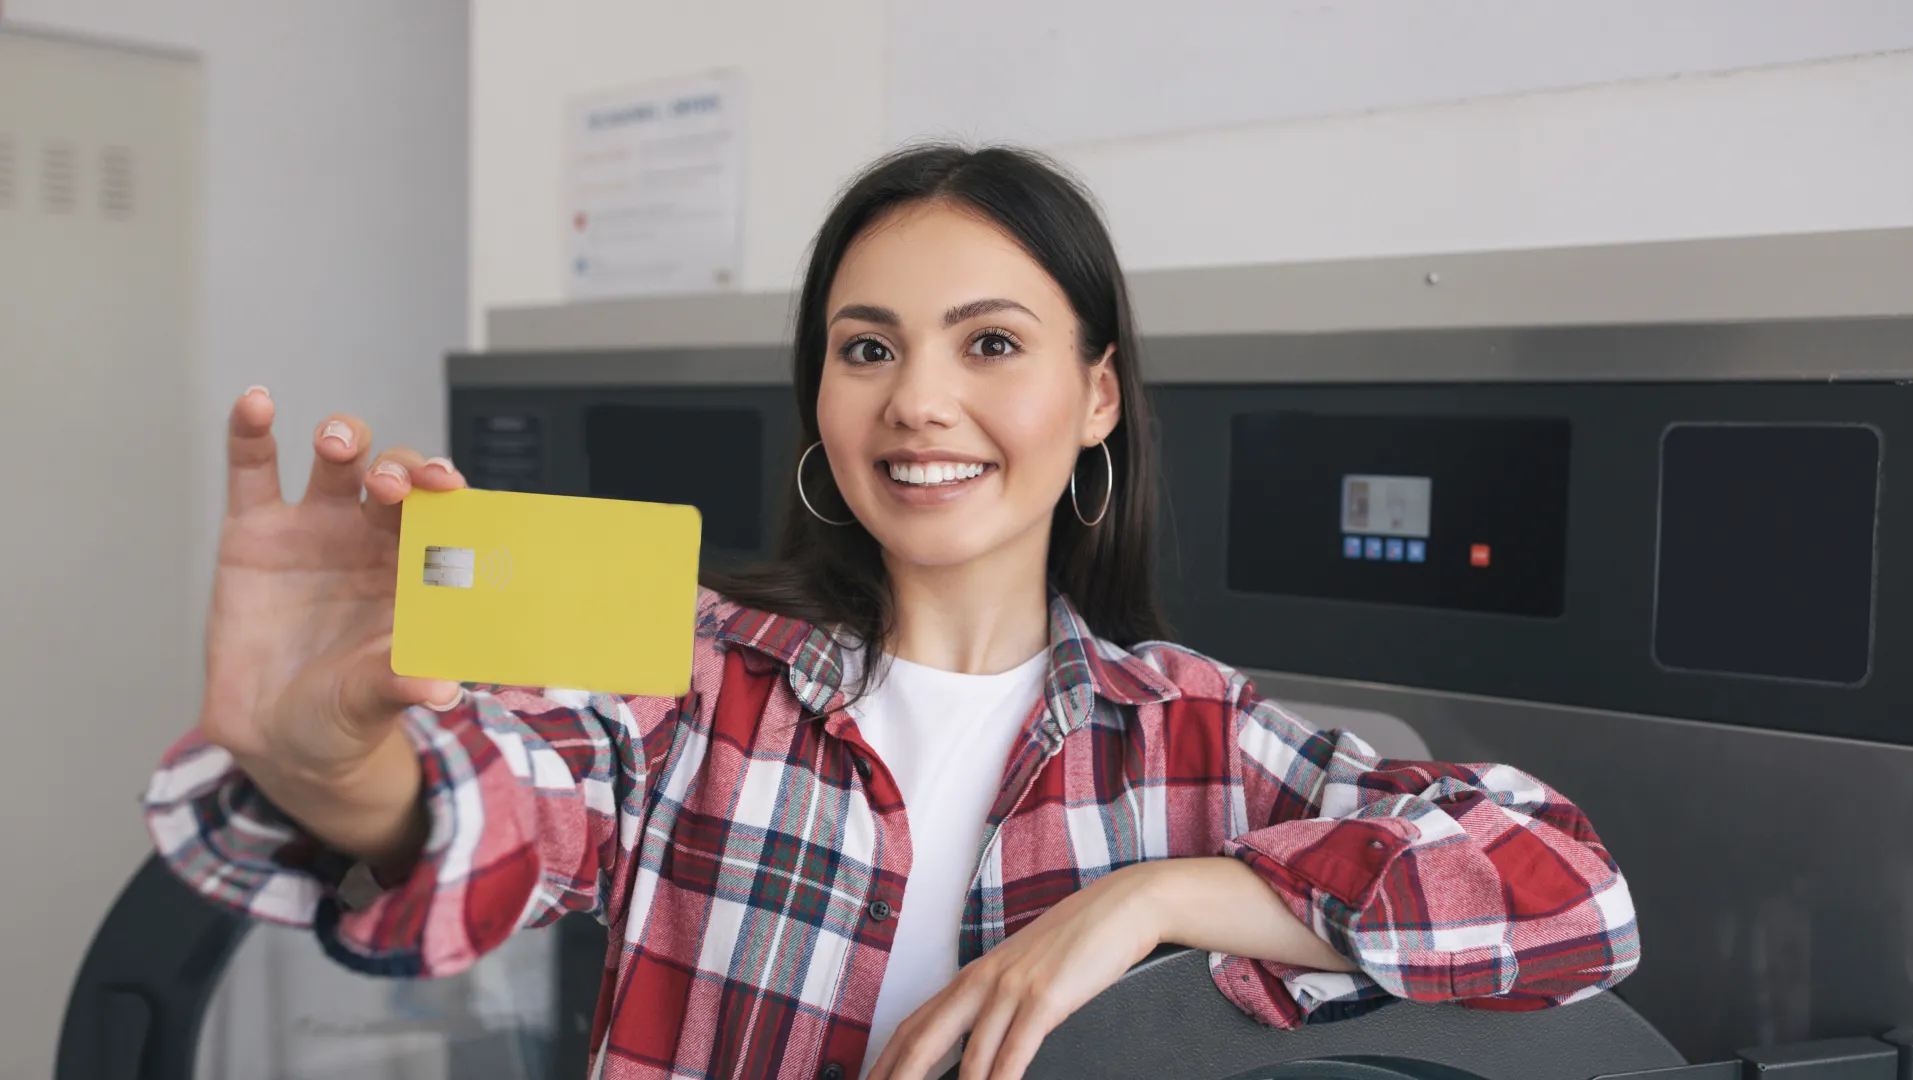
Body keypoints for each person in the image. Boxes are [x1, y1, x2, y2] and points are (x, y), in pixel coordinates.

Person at [144, 144, 1640, 1080]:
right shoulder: (684, 680)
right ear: (820, 396)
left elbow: (1572, 892)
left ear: (1097, 394)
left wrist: (1153, 905)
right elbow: (490, 815)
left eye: (991, 342)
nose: (920, 399)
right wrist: (330, 762)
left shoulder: (1197, 742)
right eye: (868, 348)